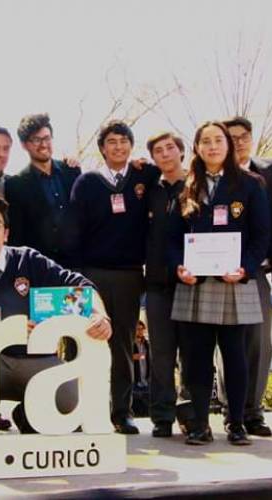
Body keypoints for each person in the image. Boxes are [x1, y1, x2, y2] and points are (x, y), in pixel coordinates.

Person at [0, 194, 111, 433]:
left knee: (73, 406)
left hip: (36, 360)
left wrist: (100, 314)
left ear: (6, 233)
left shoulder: (28, 260)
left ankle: (29, 413)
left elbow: (79, 284)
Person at [170, 121, 269, 446]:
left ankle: (236, 422)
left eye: (218, 140)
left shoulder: (251, 184)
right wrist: (179, 267)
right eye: (205, 141)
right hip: (194, 283)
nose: (212, 146)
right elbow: (172, 238)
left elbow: (261, 236)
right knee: (196, 358)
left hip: (233, 282)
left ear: (228, 145)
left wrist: (246, 268)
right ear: (197, 148)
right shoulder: (186, 185)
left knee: (235, 356)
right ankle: (199, 424)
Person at [69, 120, 159, 434]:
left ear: (131, 145)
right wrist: (76, 275)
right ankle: (77, 410)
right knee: (82, 339)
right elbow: (75, 230)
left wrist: (146, 164)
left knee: (122, 343)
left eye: (123, 141)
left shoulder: (144, 175)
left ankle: (122, 412)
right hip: (90, 275)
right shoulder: (87, 182)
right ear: (102, 148)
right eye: (111, 141)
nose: (118, 146)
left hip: (129, 274)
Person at [216, 116, 272, 437]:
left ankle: (254, 412)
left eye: (243, 137)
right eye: (232, 138)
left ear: (251, 139)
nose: (238, 142)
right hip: (216, 274)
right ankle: (232, 411)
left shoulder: (270, 172)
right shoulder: (211, 175)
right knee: (227, 347)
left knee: (258, 343)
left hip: (254, 271)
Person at [143, 131, 187, 438]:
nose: (165, 154)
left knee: (192, 354)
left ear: (181, 151)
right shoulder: (150, 189)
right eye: (158, 150)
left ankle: (191, 414)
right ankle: (162, 416)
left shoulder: (198, 186)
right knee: (161, 354)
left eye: (170, 148)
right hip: (157, 283)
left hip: (192, 282)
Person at [5, 113, 80, 268]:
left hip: (78, 266)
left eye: (46, 138)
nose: (43, 144)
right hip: (40, 269)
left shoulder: (71, 172)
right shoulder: (15, 185)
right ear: (24, 144)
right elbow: (17, 236)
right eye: (36, 140)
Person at [132, 320, 151, 418]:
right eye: (137, 329)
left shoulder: (147, 344)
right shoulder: (131, 343)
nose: (139, 331)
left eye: (141, 329)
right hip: (135, 378)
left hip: (145, 378)